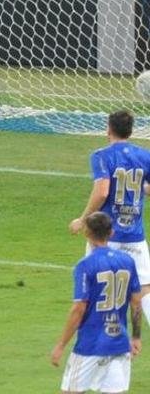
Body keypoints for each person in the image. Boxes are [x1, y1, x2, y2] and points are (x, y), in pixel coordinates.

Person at [69, 109, 150, 325]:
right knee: (144, 290)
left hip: (104, 234)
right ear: (131, 131)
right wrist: (138, 187)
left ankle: (99, 327)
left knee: (95, 283)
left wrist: (83, 219)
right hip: (135, 236)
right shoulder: (145, 157)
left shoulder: (101, 156)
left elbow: (102, 191)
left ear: (109, 129)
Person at [52, 211, 143, 394]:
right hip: (119, 343)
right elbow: (136, 303)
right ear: (111, 233)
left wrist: (61, 344)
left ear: (87, 233)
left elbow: (78, 309)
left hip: (90, 344)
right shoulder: (127, 261)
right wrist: (136, 337)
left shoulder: (86, 265)